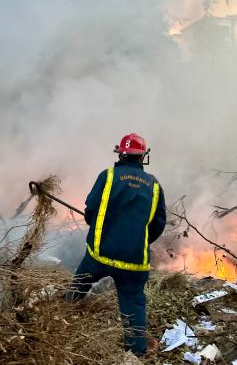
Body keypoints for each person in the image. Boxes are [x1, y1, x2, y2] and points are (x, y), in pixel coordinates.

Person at [66, 133, 166, 355]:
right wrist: (138, 240)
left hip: (100, 254)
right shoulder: (154, 186)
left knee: (81, 280)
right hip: (134, 261)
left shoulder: (108, 176)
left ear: (121, 154)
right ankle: (137, 350)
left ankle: (63, 311)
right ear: (143, 157)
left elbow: (91, 209)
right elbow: (158, 224)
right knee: (133, 302)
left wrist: (100, 230)